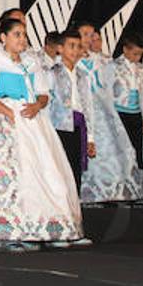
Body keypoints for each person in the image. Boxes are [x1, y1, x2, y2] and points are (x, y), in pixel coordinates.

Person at [0, 18, 84, 252]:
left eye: (24, 34)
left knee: (46, 173)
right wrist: (10, 112)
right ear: (3, 38)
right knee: (10, 174)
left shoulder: (31, 62)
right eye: (17, 34)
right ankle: (9, 232)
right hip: (5, 118)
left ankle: (49, 229)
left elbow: (43, 93)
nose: (22, 39)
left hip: (33, 119)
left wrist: (37, 106)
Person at [75, 22, 143, 204]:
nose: (89, 38)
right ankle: (86, 188)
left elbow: (105, 86)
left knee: (112, 146)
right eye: (85, 34)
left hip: (100, 106)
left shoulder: (100, 60)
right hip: (81, 105)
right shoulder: (73, 58)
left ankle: (110, 188)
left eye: (91, 34)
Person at [47, 30, 96, 194]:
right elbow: (46, 105)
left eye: (79, 47)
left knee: (75, 168)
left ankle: (74, 208)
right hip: (59, 128)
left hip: (78, 126)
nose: (75, 51)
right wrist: (46, 133)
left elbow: (88, 106)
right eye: (71, 46)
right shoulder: (52, 73)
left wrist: (90, 137)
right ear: (60, 48)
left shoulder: (83, 76)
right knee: (59, 169)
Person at [110, 34, 143, 172]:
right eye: (135, 54)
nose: (137, 58)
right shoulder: (113, 66)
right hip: (119, 113)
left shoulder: (141, 69)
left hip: (135, 114)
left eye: (140, 54)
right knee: (120, 149)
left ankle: (135, 183)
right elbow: (107, 93)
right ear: (125, 50)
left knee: (136, 148)